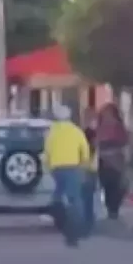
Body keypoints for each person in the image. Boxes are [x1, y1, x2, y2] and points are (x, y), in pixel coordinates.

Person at [44, 105, 91, 247]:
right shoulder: (76, 131)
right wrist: (84, 166)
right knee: (75, 200)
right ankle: (76, 230)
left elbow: (47, 152)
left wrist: (48, 168)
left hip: (56, 168)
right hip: (74, 168)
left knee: (57, 197)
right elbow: (85, 150)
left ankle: (61, 219)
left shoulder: (51, 133)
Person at [95, 103, 130, 219]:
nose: (108, 117)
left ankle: (114, 210)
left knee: (117, 187)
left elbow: (125, 143)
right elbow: (97, 143)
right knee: (107, 186)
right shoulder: (100, 127)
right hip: (104, 163)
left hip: (116, 163)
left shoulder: (118, 127)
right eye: (105, 114)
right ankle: (111, 210)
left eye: (109, 114)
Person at [80, 110, 99, 236]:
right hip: (90, 169)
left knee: (86, 198)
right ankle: (89, 223)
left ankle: (87, 224)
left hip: (87, 169)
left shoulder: (87, 133)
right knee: (88, 198)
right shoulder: (92, 133)